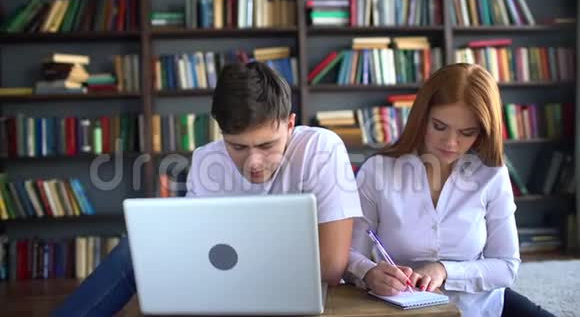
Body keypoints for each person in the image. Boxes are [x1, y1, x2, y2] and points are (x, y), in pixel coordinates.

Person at [52, 61, 362, 316]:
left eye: (267, 145)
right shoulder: (206, 159)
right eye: (237, 147)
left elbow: (331, 266)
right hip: (220, 292)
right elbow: (196, 253)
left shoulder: (321, 148)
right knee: (131, 250)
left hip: (284, 297)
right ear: (222, 133)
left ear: (290, 124)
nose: (253, 162)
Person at [345, 63, 555, 317]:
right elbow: (347, 253)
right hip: (401, 307)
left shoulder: (492, 174)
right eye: (439, 126)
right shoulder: (377, 171)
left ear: (481, 133)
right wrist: (368, 273)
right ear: (422, 117)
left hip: (482, 305)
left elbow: (506, 266)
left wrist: (444, 270)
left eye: (467, 132)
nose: (450, 143)